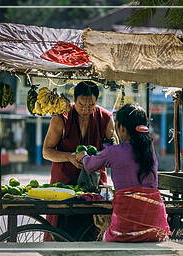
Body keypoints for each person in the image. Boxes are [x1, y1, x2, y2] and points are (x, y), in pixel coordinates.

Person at [76, 103, 170, 242]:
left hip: (125, 229)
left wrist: (83, 156)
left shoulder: (114, 151)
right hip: (156, 227)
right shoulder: (149, 149)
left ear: (122, 128)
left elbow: (90, 165)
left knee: (104, 238)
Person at [42, 80, 117, 240]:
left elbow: (114, 148)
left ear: (96, 102)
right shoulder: (61, 118)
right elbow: (46, 152)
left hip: (94, 184)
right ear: (74, 100)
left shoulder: (105, 118)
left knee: (92, 231)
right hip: (64, 182)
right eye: (82, 104)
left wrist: (98, 157)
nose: (86, 109)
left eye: (91, 105)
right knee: (61, 230)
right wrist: (69, 157)